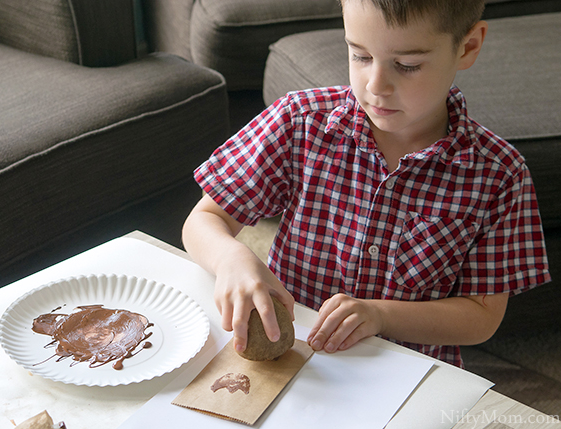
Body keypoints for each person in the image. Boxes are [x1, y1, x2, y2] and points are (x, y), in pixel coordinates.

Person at [181, 0, 551, 367]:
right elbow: (204, 219)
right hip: (293, 358)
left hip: (401, 372)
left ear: (467, 47)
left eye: (407, 65)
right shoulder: (298, 122)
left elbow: (481, 317)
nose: (376, 85)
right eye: (359, 55)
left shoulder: (499, 174)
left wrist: (381, 316)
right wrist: (232, 258)